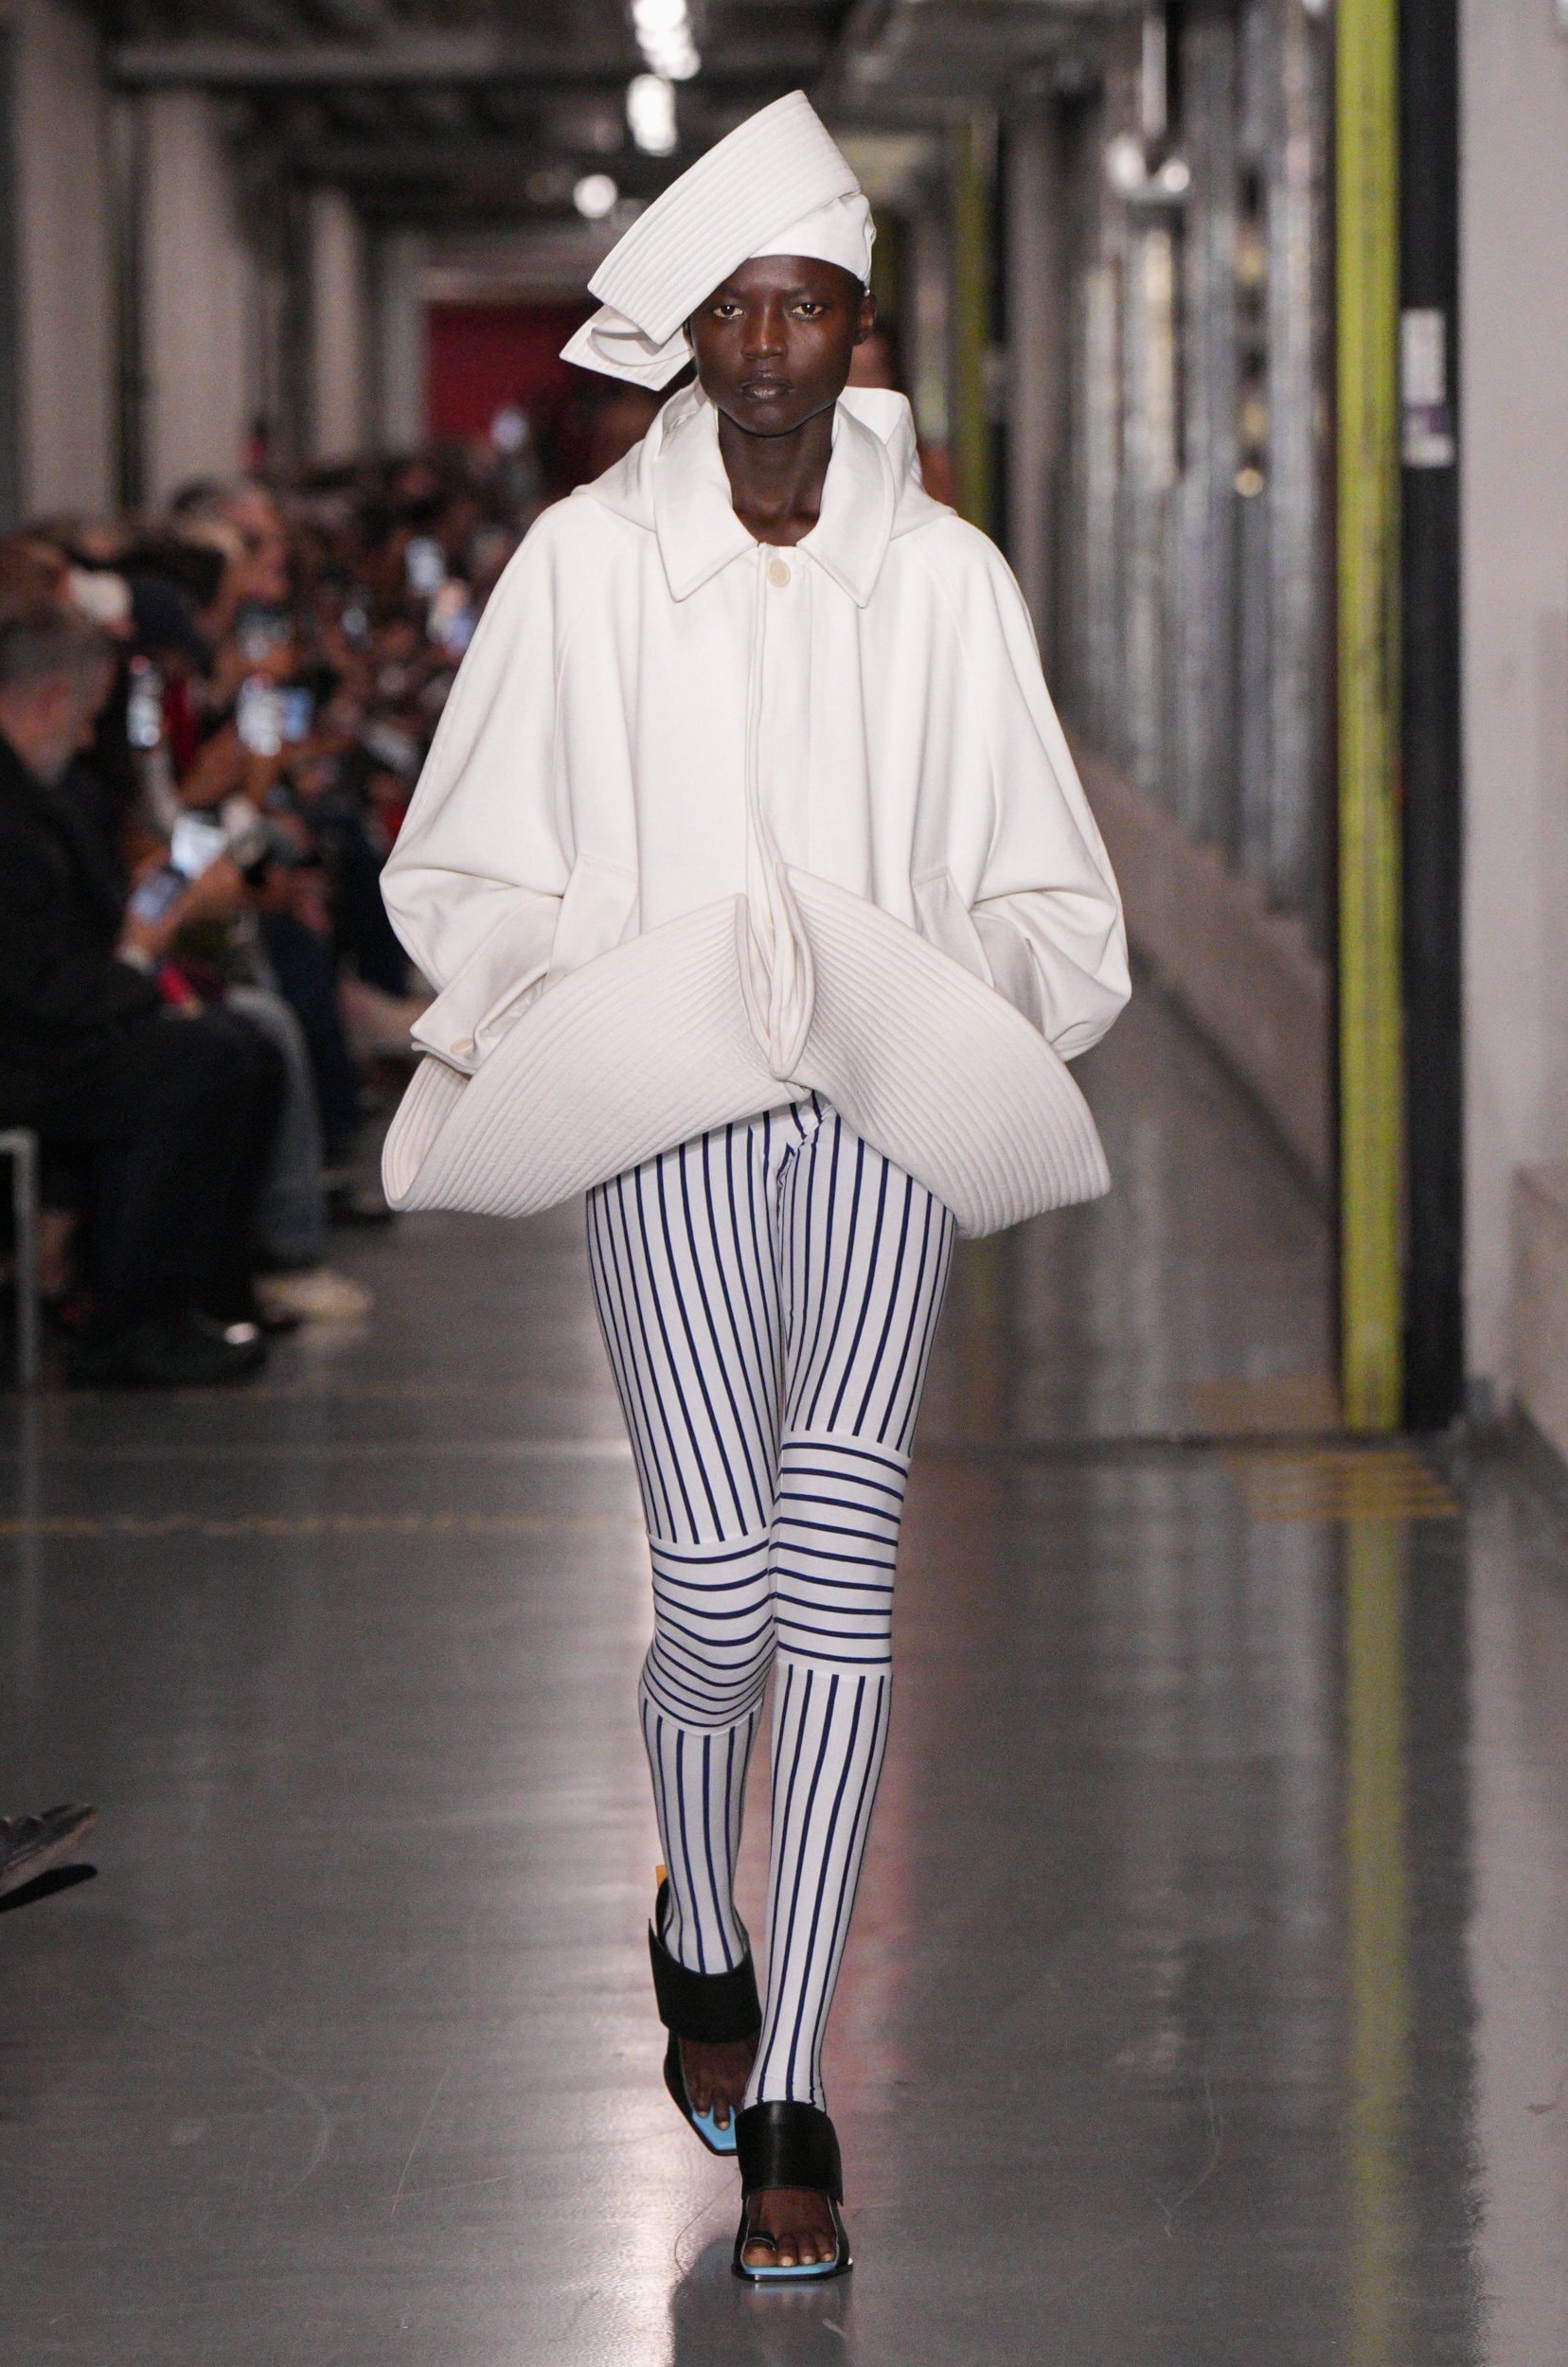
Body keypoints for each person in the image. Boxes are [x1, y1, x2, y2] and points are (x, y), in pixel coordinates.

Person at [380, 93, 1130, 2282]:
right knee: (714, 1589)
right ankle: (697, 1913)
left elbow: (1048, 898)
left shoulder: (948, 584)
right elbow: (466, 862)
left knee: (842, 1578)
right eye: (736, 309)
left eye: (807, 306)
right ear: (689, 331)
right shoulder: (586, 569)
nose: (773, 347)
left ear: (856, 325)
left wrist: (936, 999)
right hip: (669, 1108)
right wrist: (590, 996)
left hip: (885, 1113)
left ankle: (793, 2080)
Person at [0, 600, 285, 1385]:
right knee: (201, 1061)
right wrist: (137, 955)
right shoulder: (7, 808)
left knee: (242, 1047)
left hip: (54, 1025)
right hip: (20, 1047)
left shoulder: (45, 790)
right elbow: (31, 985)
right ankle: (130, 1317)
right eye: (87, 716)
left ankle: (203, 1294)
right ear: (53, 697)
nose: (90, 737)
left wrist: (142, 928)